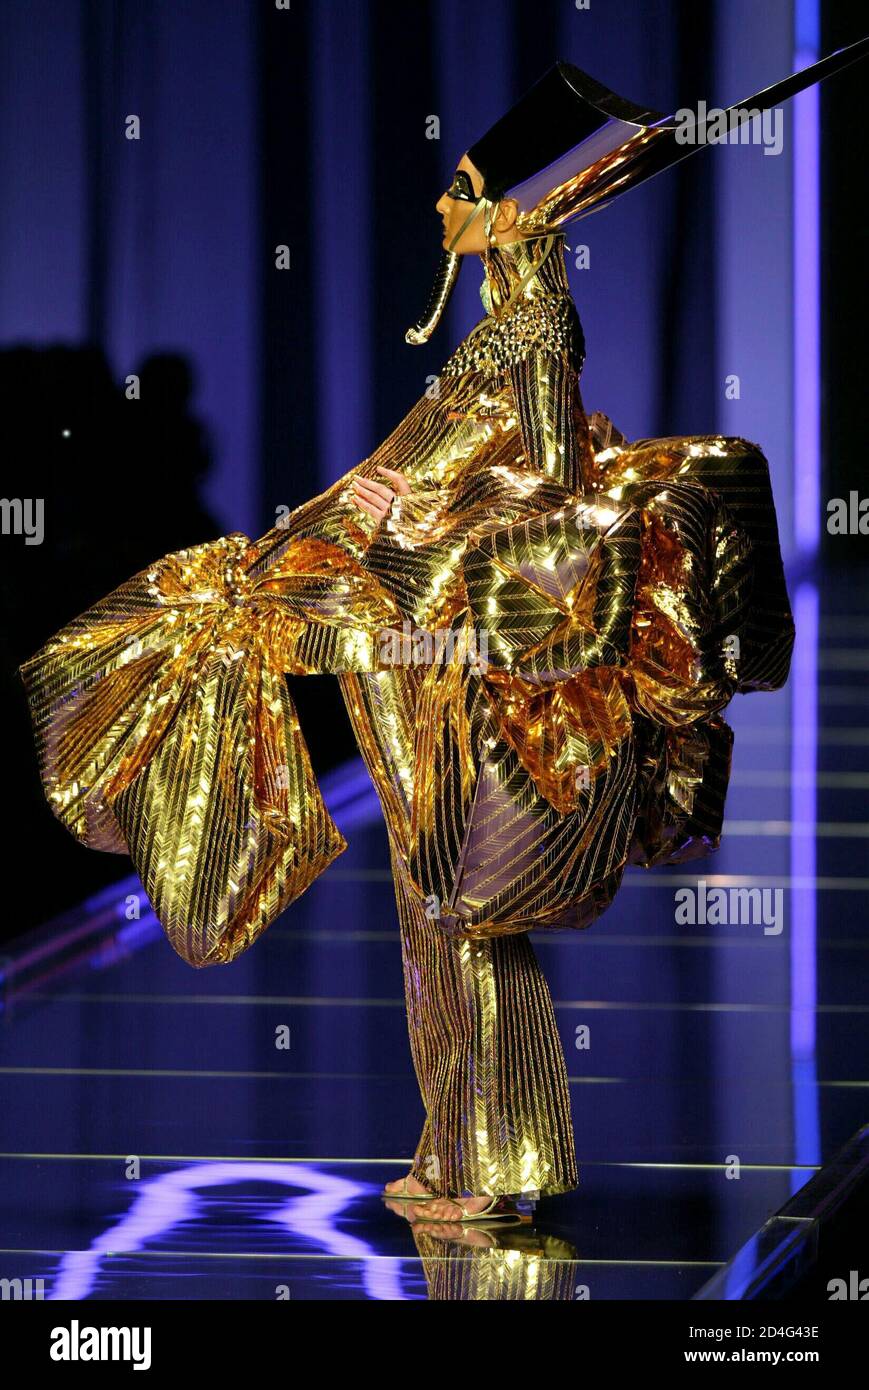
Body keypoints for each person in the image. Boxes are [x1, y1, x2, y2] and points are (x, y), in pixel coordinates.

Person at [22, 48, 867, 1228]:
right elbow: (411, 482)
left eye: (463, 185)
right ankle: (476, 1149)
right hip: (396, 616)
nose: (441, 203)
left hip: (439, 635)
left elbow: (552, 492)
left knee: (446, 895)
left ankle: (487, 1158)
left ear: (514, 208)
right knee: (432, 896)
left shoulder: (530, 331)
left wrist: (452, 600)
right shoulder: (505, 329)